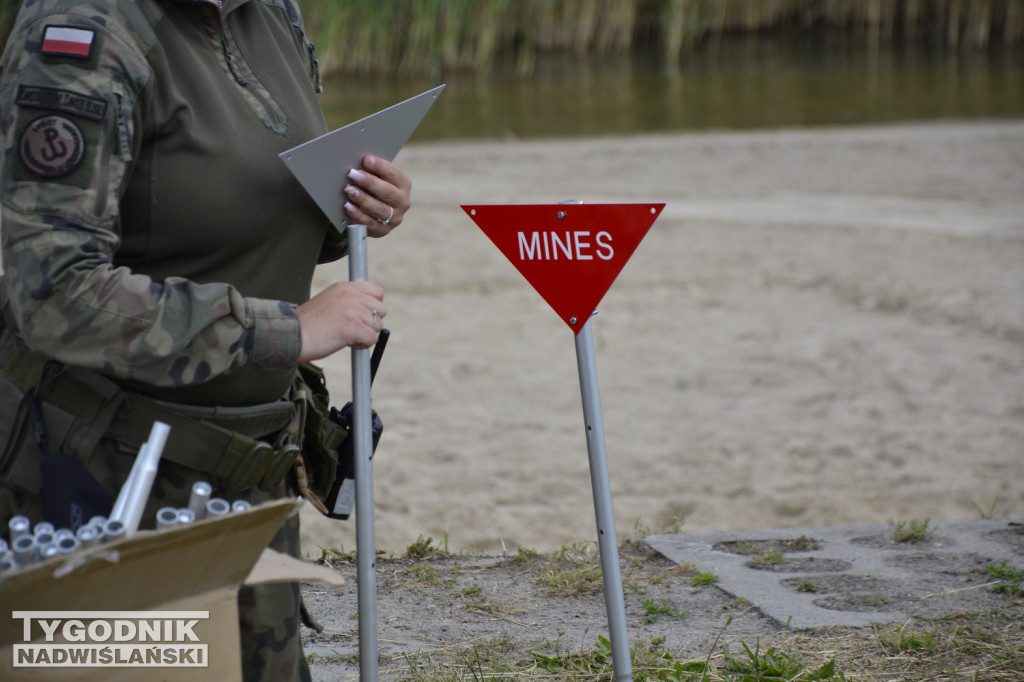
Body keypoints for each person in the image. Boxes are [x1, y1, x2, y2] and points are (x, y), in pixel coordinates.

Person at [0, 1, 410, 679]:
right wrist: (289, 331)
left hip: (249, 480)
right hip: (106, 482)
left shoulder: (271, 12)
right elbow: (53, 293)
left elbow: (238, 196)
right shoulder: (81, 31)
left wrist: (356, 207)